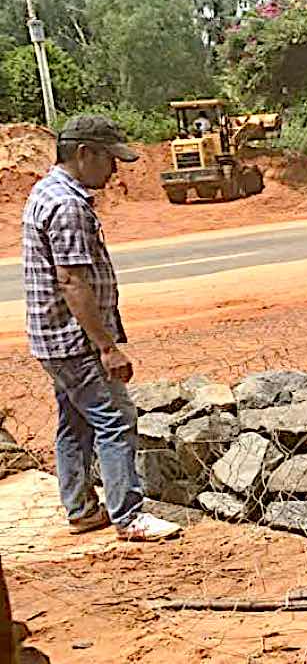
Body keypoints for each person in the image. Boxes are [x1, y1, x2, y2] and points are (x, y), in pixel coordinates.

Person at [22, 115, 183, 541]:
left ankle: (81, 508)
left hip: (50, 339)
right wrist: (107, 346)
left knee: (74, 421)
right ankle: (128, 516)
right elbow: (73, 282)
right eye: (109, 159)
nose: (114, 171)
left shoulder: (45, 191)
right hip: (74, 340)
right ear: (84, 154)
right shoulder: (68, 206)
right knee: (115, 418)